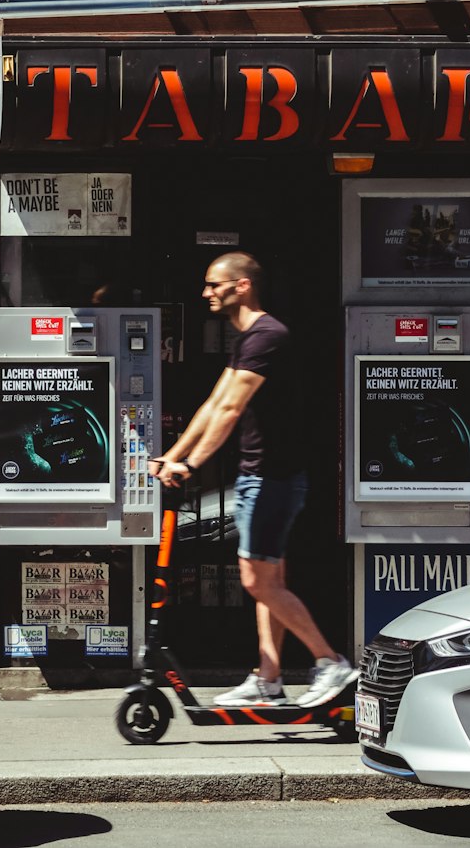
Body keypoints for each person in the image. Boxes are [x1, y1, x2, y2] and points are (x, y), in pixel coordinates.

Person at [150, 252, 356, 707]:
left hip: (271, 479)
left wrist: (194, 463)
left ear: (241, 286)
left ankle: (330, 662)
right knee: (270, 581)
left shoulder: (268, 336)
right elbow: (212, 402)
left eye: (213, 284)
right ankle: (268, 679)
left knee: (258, 582)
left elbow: (230, 409)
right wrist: (174, 455)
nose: (206, 293)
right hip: (261, 478)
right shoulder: (247, 339)